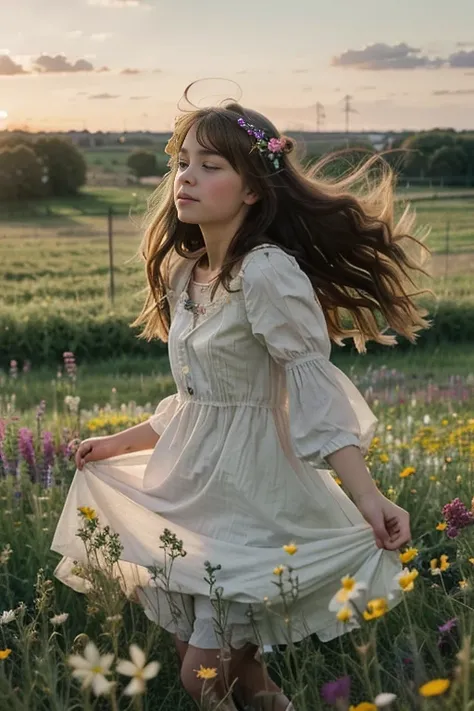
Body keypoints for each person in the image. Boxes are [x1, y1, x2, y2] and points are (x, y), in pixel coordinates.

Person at [51, 89, 432, 711]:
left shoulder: (267, 273)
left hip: (254, 499)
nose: (188, 177)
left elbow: (313, 395)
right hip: (193, 488)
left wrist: (370, 498)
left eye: (212, 165)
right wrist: (116, 444)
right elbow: (198, 401)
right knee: (231, 674)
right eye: (182, 163)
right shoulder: (185, 273)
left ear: (253, 189)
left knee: (202, 676)